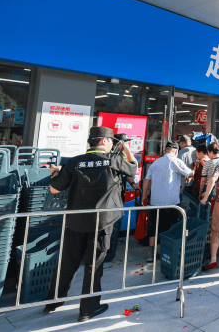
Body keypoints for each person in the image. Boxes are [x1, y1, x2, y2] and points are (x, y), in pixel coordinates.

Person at [44, 126, 138, 321]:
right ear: (104, 141)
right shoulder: (113, 160)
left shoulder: (74, 162)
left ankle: (53, 302)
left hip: (75, 221)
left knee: (67, 262)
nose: (112, 144)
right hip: (102, 222)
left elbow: (54, 189)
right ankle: (88, 309)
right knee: (94, 265)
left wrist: (55, 173)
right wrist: (125, 147)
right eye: (111, 141)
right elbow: (133, 166)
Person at [142, 141, 194, 262]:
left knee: (153, 227)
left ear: (165, 151)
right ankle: (167, 253)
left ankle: (151, 254)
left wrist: (144, 196)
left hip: (155, 202)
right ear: (176, 151)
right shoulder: (176, 161)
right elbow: (190, 173)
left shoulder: (155, 162)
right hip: (171, 203)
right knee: (170, 228)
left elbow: (146, 181)